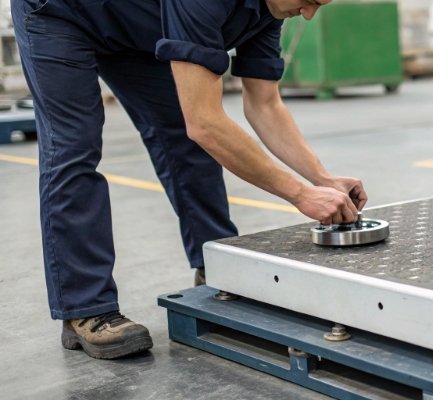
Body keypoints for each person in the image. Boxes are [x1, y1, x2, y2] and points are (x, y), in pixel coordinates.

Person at [12, 0, 365, 360]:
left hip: (135, 26)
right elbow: (206, 123)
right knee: (74, 148)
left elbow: (265, 105)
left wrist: (322, 179)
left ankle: (215, 268)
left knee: (184, 140)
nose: (309, 13)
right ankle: (85, 308)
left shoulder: (269, 10)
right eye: (308, 1)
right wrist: (300, 194)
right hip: (60, 13)